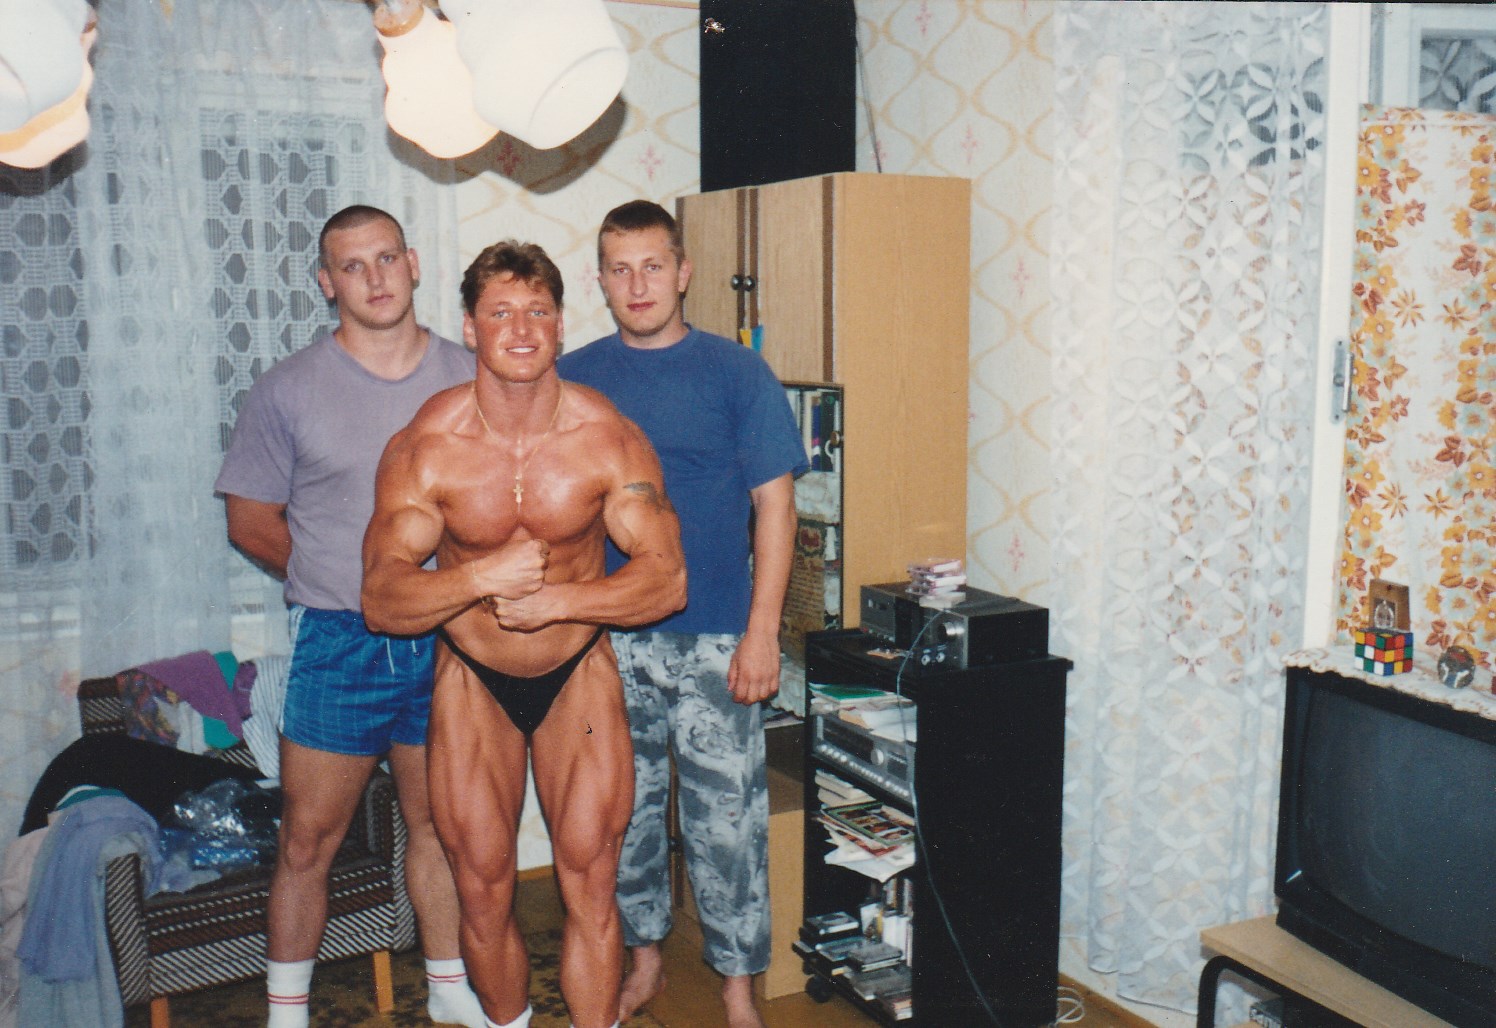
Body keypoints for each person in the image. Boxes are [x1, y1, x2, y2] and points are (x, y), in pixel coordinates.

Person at [360, 239, 687, 1028]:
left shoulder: (607, 438)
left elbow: (666, 579)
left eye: (538, 310)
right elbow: (382, 599)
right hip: (474, 678)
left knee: (591, 882)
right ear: (469, 328)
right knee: (481, 888)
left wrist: (561, 603)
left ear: (561, 325)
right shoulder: (426, 448)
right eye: (500, 311)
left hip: (577, 672)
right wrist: (480, 577)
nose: (520, 328)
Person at [214, 205, 485, 1028]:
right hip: (340, 640)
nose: (375, 278)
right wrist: (336, 576)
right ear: (327, 283)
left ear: (413, 263)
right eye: (352, 266)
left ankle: (449, 989)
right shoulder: (287, 389)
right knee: (307, 840)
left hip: (448, 640)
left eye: (386, 258)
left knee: (439, 826)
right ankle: (286, 1013)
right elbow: (249, 519)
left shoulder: (470, 376)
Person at [557, 200, 807, 1028]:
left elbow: (776, 508)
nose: (638, 285)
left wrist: (763, 634)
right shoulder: (575, 381)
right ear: (600, 280)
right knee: (623, 815)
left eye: (653, 266)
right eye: (620, 269)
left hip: (718, 636)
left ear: (683, 273)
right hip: (608, 642)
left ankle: (736, 988)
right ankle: (645, 962)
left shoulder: (738, 373)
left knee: (726, 823)